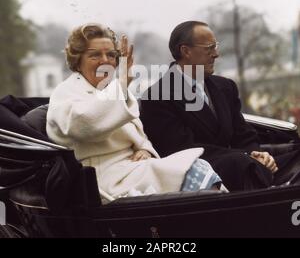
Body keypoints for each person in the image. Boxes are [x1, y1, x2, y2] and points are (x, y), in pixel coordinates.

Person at [46, 23, 224, 200]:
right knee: (195, 170)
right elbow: (85, 124)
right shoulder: (66, 92)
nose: (105, 61)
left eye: (110, 55)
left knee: (199, 167)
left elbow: (139, 134)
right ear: (77, 60)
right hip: (101, 179)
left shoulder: (112, 91)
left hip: (133, 169)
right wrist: (122, 83)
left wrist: (145, 149)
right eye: (94, 55)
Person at [140, 21, 300, 191]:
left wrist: (256, 153)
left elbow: (244, 135)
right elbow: (182, 149)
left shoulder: (225, 87)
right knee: (241, 164)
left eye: (215, 46)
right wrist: (247, 157)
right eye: (209, 48)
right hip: (200, 170)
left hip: (240, 163)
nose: (216, 54)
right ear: (185, 51)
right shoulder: (157, 96)